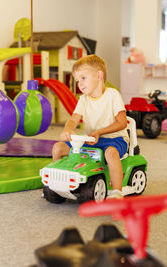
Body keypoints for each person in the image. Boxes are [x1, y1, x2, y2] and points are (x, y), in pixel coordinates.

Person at [52, 55, 128, 199]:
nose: (79, 83)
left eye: (83, 78)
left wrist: (99, 132)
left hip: (114, 139)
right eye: (77, 80)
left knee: (110, 153)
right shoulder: (83, 99)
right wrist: (67, 129)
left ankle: (117, 192)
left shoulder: (112, 95)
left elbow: (122, 122)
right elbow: (74, 119)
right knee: (58, 148)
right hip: (90, 140)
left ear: (99, 75)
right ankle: (57, 184)